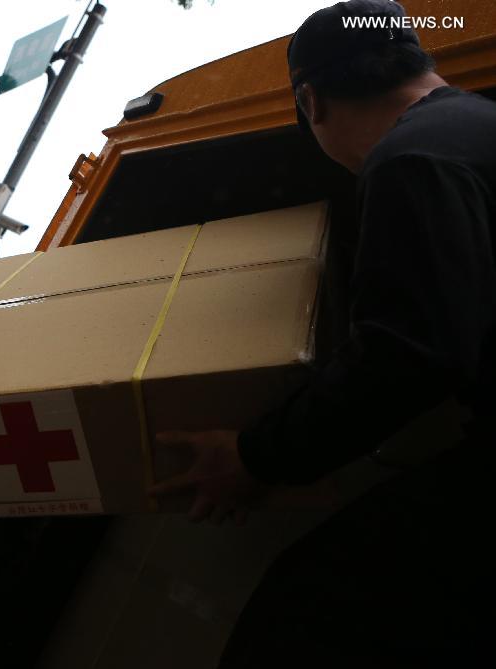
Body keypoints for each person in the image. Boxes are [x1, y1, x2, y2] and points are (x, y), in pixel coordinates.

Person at [150, 1, 496, 666]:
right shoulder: (474, 124)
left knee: (303, 614)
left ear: (309, 99)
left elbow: (408, 357)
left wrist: (255, 453)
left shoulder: (411, 157)